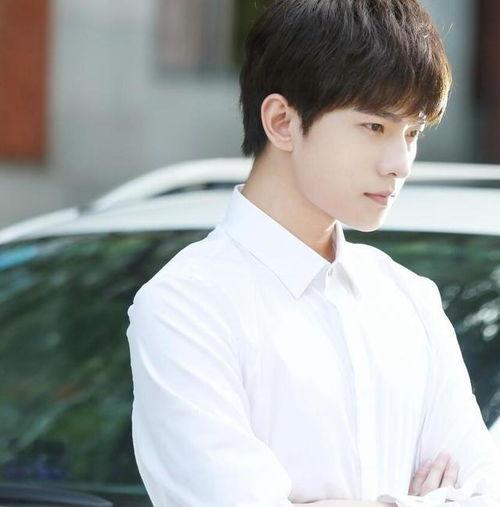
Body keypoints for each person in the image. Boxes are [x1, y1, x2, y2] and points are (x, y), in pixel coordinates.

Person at [126, 1, 500, 506]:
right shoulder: (185, 307)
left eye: (412, 133)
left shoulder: (410, 299)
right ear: (282, 121)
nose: (400, 164)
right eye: (375, 127)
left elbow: (484, 489)